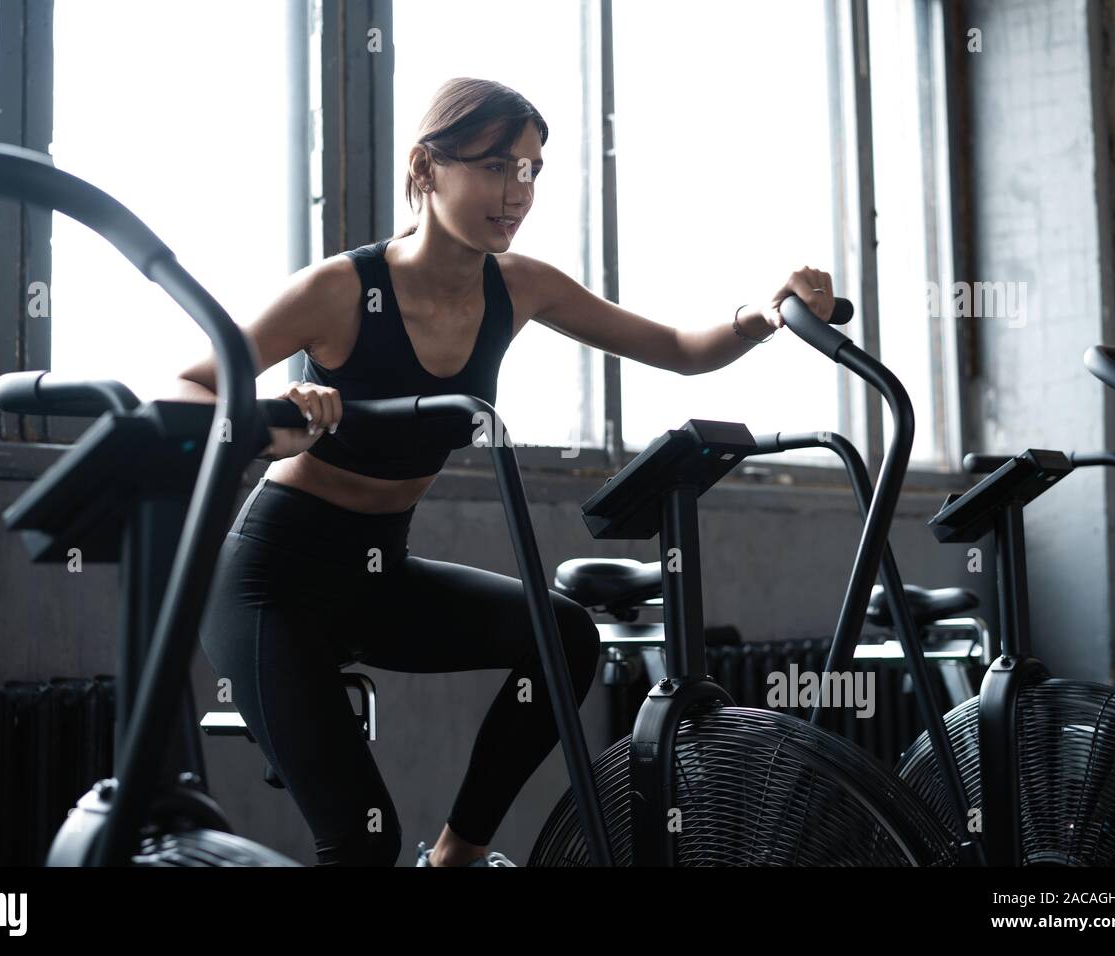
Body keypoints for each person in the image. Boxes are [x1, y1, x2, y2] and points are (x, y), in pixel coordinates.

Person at [180, 77, 838, 867]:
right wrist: (272, 418)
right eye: (495, 166)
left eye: (530, 170)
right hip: (272, 580)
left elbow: (680, 350)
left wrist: (764, 314)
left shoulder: (520, 287)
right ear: (427, 167)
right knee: (360, 837)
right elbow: (193, 382)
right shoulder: (344, 290)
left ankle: (457, 855)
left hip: (378, 571)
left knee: (563, 636)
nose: (516, 192)